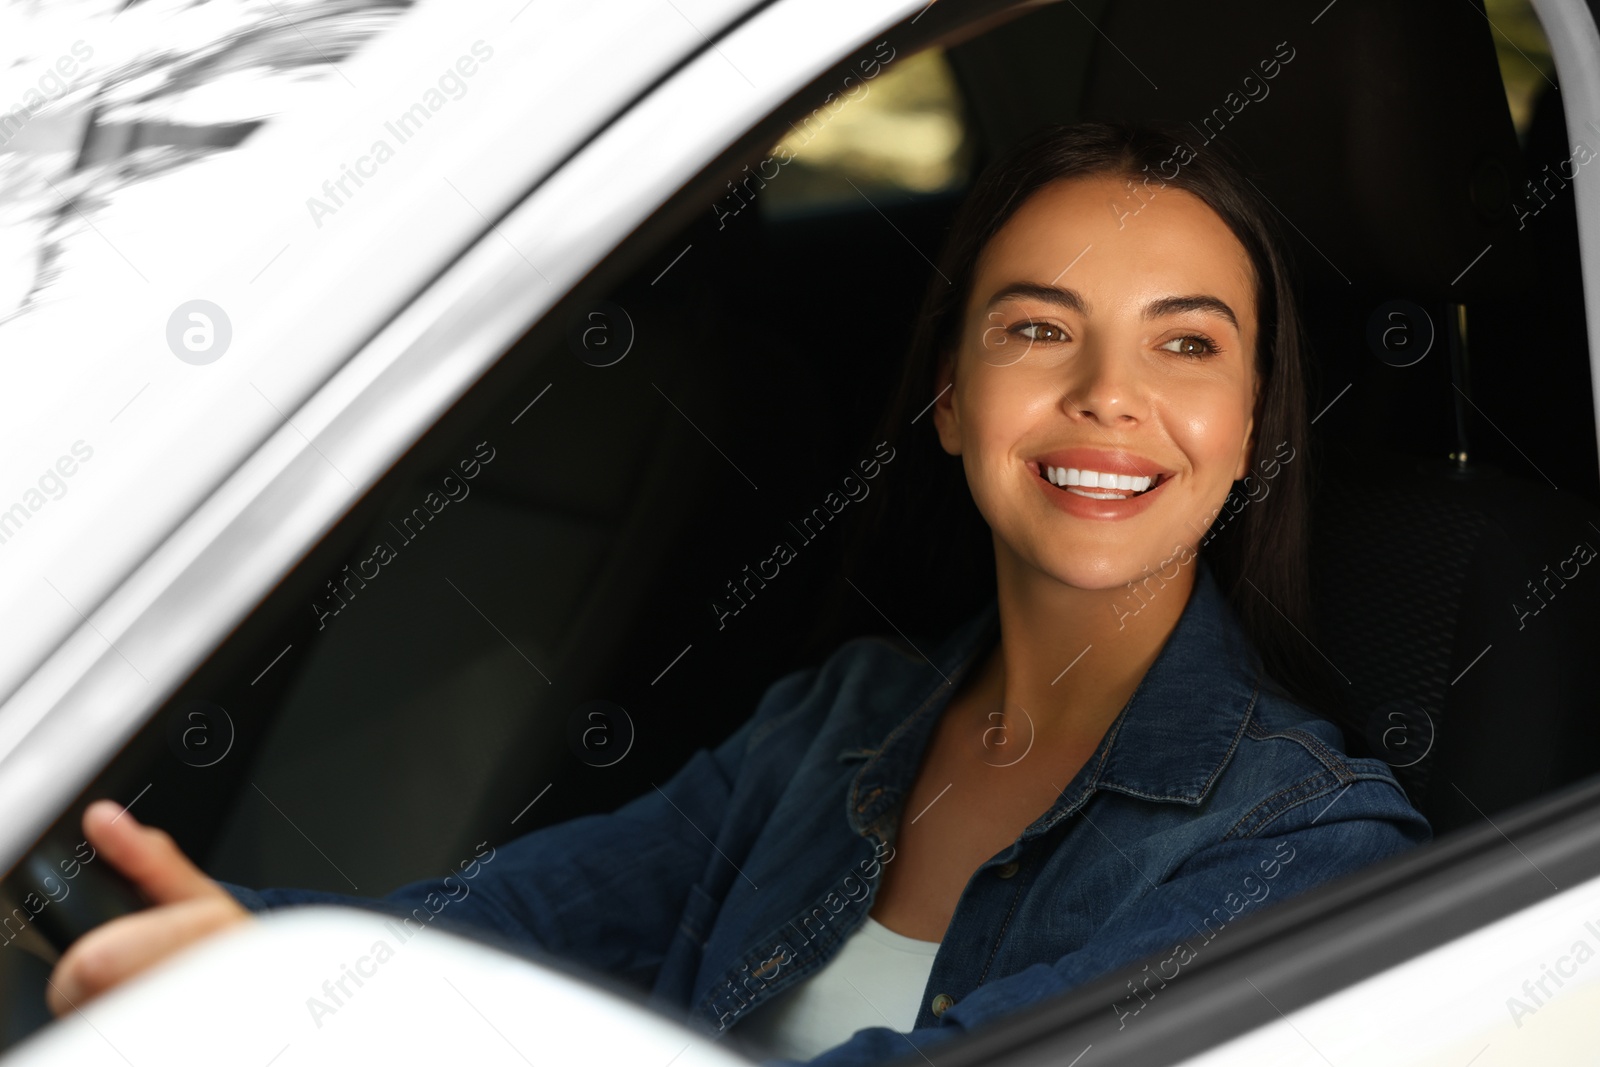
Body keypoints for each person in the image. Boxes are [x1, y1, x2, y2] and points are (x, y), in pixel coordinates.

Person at [46, 121, 1430, 1066]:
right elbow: (510, 926)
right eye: (1037, 329)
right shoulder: (845, 720)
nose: (1109, 396)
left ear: (1254, 428)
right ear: (953, 401)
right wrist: (239, 952)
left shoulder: (1310, 852)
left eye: (1186, 346)